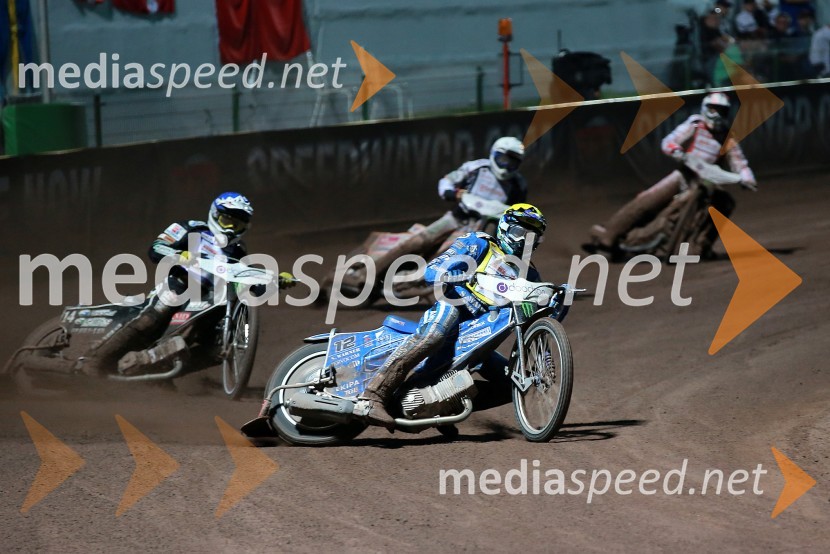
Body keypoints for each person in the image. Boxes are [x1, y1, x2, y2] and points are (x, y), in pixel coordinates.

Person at [358, 204, 547, 430]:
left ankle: (444, 406)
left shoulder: (531, 275)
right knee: (435, 334)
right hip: (454, 306)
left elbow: (537, 320)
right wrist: (448, 272)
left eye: (532, 237)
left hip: (483, 329)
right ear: (505, 228)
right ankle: (373, 396)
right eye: (519, 233)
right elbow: (432, 269)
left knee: (514, 383)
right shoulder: (480, 242)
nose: (524, 241)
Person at [82, 192, 294, 376]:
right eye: (227, 220)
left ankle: (159, 369)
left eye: (237, 224)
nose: (230, 228)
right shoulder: (191, 228)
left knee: (218, 346)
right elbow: (156, 248)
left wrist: (273, 282)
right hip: (179, 285)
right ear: (215, 215)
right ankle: (95, 360)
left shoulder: (238, 250)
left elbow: (243, 283)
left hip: (209, 299)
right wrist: (178, 255)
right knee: (155, 313)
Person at [586, 92, 757, 258]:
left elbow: (740, 163)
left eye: (721, 111)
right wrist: (677, 151)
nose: (717, 114)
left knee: (725, 204)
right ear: (705, 108)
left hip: (708, 181)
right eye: (713, 109)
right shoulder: (695, 124)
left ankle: (701, 246)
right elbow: (669, 141)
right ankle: (608, 234)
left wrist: (748, 179)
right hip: (684, 174)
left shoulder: (728, 137)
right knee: (647, 200)